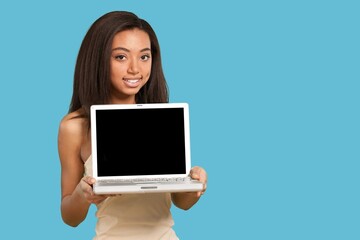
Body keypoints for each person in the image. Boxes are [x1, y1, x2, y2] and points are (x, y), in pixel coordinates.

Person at [57, 11, 207, 240]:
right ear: (98, 59)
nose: (135, 69)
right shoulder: (75, 127)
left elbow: (181, 202)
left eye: (144, 57)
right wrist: (82, 194)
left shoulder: (162, 119)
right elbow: (70, 218)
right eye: (121, 57)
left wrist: (195, 185)